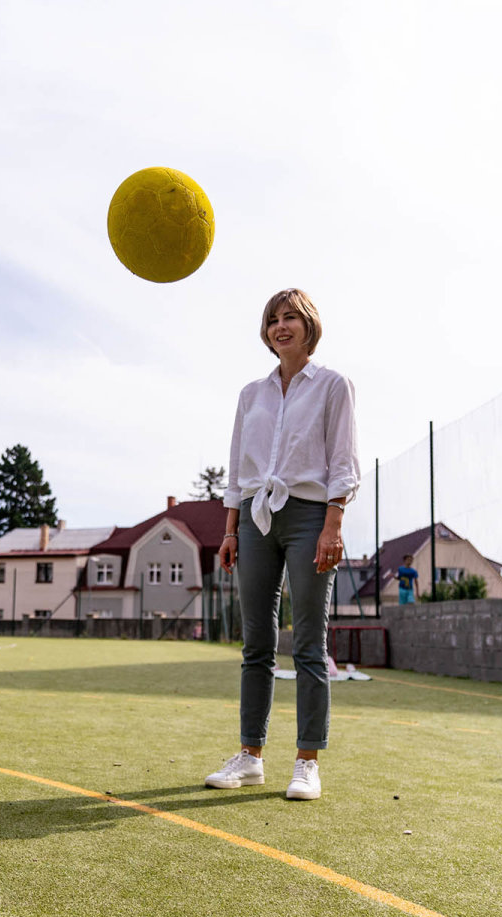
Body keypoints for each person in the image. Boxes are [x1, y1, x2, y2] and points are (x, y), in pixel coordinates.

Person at [204, 288, 358, 801]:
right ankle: (250, 756)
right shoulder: (251, 394)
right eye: (273, 319)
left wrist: (332, 523)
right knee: (256, 645)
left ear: (309, 325)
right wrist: (230, 529)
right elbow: (236, 465)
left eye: (291, 317)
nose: (281, 326)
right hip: (254, 517)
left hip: (311, 516)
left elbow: (342, 461)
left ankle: (307, 762)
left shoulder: (334, 385)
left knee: (310, 643)